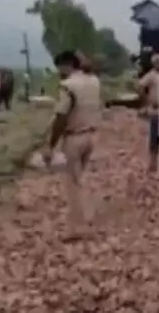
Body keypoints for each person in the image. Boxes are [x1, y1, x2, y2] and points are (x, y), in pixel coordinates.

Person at [43, 50, 102, 241]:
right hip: (91, 135)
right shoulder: (94, 81)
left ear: (66, 65)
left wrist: (50, 146)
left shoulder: (67, 86)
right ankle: (86, 216)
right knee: (79, 178)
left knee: (72, 184)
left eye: (59, 67)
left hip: (74, 138)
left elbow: (61, 116)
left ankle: (77, 228)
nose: (58, 71)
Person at [137, 53, 159, 172]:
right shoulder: (151, 75)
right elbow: (140, 85)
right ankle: (152, 163)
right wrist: (146, 99)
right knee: (154, 137)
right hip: (156, 109)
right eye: (157, 62)